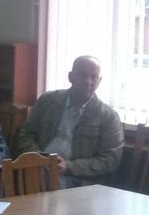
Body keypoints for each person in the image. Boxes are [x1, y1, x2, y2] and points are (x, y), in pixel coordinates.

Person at [15, 55, 124, 188]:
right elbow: (26, 133)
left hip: (78, 179)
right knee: (9, 177)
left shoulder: (109, 117)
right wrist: (38, 158)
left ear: (99, 81)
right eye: (83, 75)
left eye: (94, 77)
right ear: (71, 77)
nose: (88, 82)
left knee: (49, 183)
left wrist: (68, 166)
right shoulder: (47, 101)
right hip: (37, 166)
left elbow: (110, 160)